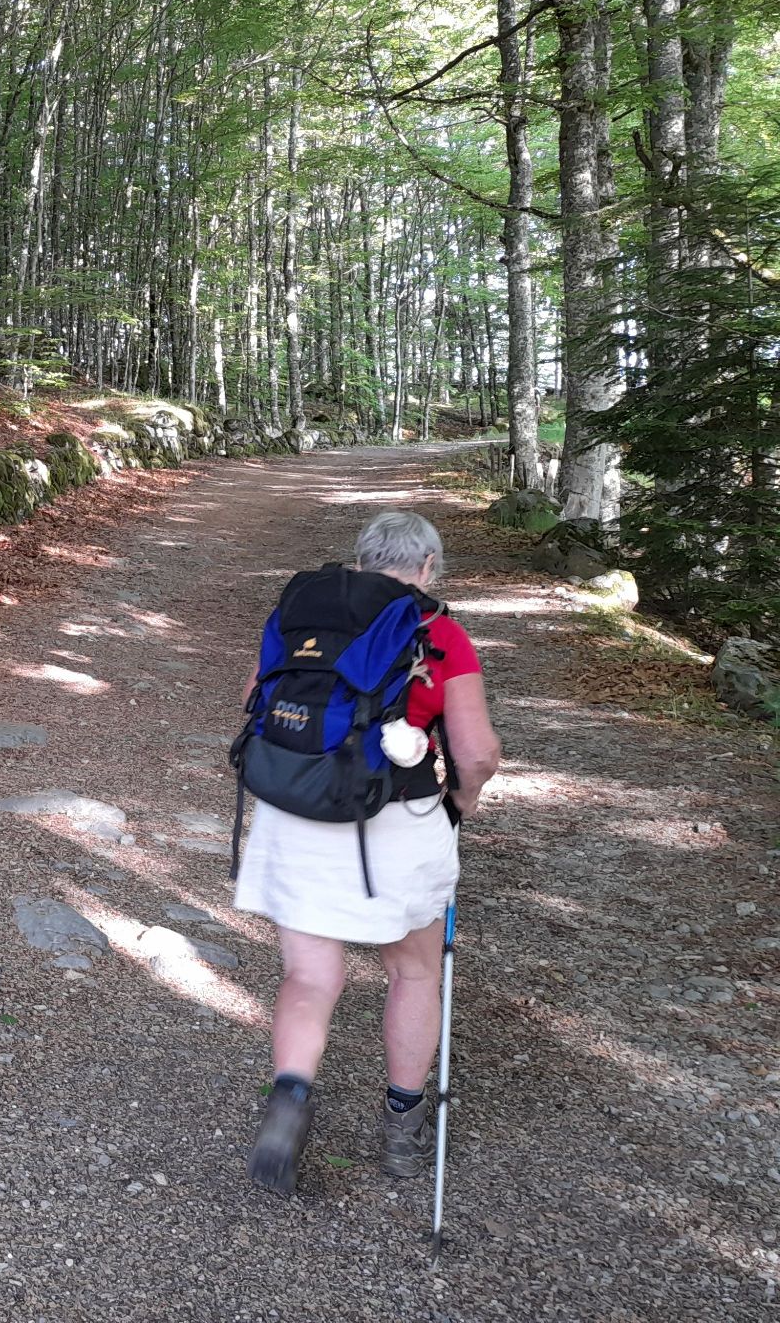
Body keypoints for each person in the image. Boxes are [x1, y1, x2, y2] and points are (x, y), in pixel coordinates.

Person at [236, 510, 501, 1194]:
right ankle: (402, 1131)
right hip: (394, 819)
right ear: (428, 566)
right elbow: (475, 752)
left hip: (296, 808)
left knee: (309, 976)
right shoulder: (437, 631)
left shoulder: (303, 612)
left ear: (359, 558)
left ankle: (289, 1102)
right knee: (413, 973)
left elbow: (256, 699)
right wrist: (462, 802)